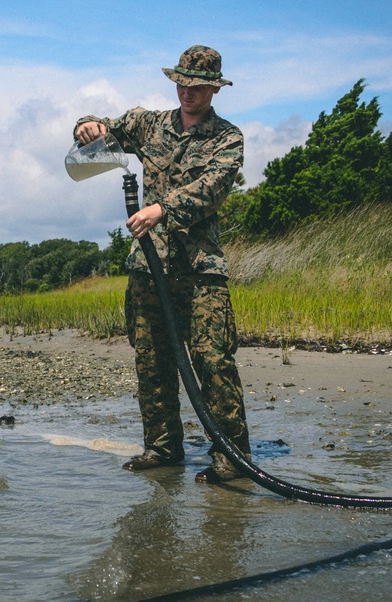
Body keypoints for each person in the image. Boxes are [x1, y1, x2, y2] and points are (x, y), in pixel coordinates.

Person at [73, 45, 251, 483]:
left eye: (197, 86)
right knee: (151, 359)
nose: (187, 92)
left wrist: (162, 209)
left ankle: (231, 456)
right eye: (181, 83)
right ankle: (163, 447)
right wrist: (85, 126)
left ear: (214, 88)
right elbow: (98, 127)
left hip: (199, 267)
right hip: (148, 266)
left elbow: (211, 187)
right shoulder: (148, 123)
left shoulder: (228, 138)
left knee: (212, 360)